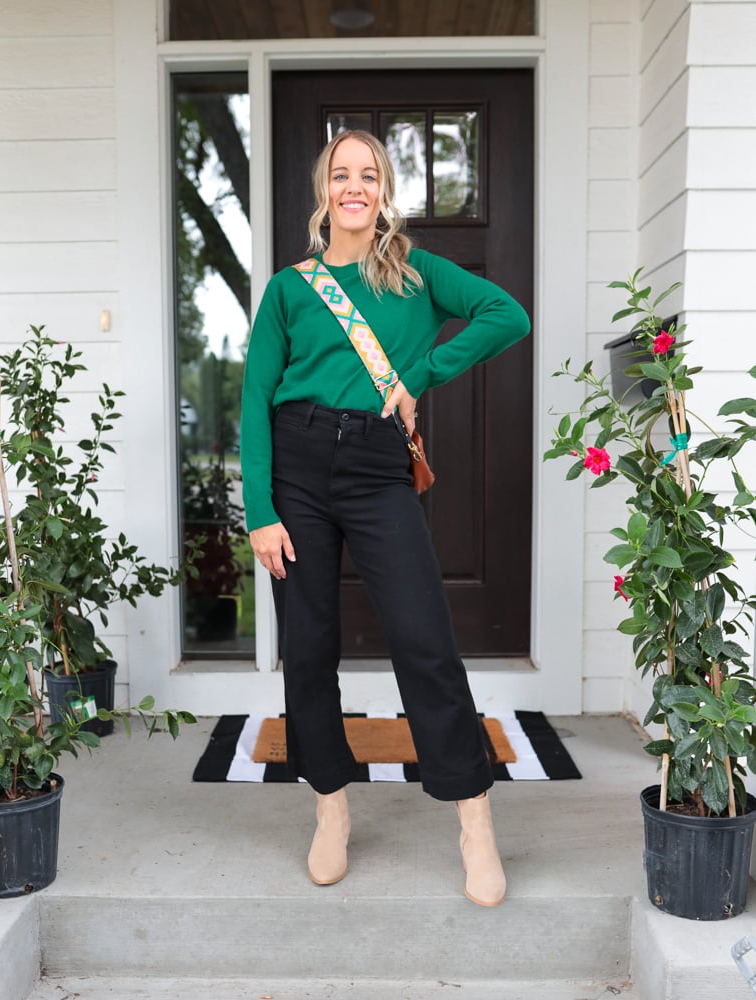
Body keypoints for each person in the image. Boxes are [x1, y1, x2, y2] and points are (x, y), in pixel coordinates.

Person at [240, 129, 530, 907]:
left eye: (368, 175)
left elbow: (507, 317)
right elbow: (253, 404)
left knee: (424, 640)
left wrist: (419, 374)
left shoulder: (414, 273)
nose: (354, 187)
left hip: (376, 467)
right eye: (341, 175)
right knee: (307, 648)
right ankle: (330, 808)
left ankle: (474, 821)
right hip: (296, 467)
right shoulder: (289, 289)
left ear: (384, 190)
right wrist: (260, 511)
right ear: (323, 190)